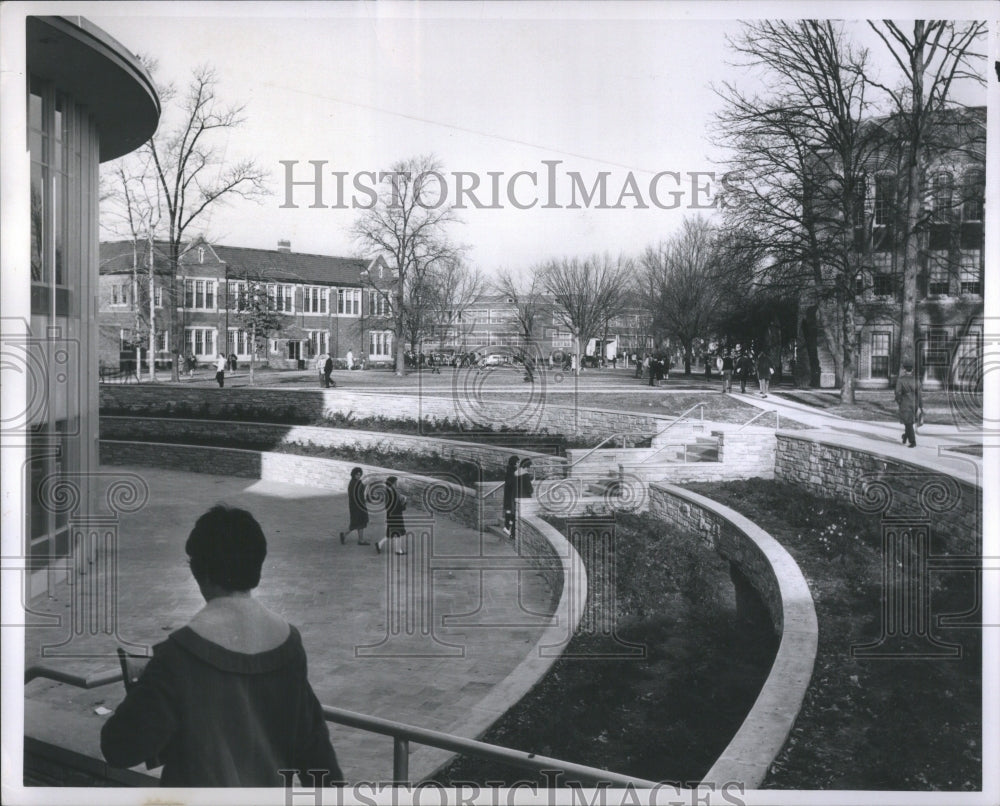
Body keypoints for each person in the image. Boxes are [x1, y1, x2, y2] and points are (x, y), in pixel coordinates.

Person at [100, 505, 342, 787]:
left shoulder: (178, 655)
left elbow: (119, 749)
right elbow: (317, 756)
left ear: (198, 572)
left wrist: (143, 689)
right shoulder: (289, 645)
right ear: (257, 567)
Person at [375, 476, 407, 555]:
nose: (396, 483)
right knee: (398, 532)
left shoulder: (389, 491)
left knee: (391, 533)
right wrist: (404, 502)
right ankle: (398, 550)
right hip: (395, 515)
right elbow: (398, 506)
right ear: (392, 483)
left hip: (390, 515)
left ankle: (379, 544)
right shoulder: (393, 492)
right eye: (395, 482)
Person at [339, 467, 370, 545]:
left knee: (360, 522)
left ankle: (360, 539)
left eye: (360, 474)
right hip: (357, 506)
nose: (358, 476)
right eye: (357, 474)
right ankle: (345, 534)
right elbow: (356, 495)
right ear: (354, 474)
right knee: (357, 522)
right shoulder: (354, 483)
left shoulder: (355, 482)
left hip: (357, 505)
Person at [895, 361, 922, 448]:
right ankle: (905, 436)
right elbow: (920, 394)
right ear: (912, 370)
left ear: (904, 369)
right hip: (915, 403)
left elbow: (897, 393)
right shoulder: (916, 380)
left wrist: (899, 401)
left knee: (908, 423)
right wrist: (920, 406)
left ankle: (912, 441)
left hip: (905, 403)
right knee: (909, 422)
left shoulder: (901, 380)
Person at [502, 455, 519, 538]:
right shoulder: (512, 472)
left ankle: (508, 526)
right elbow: (511, 482)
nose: (519, 464)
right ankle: (507, 527)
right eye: (518, 462)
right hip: (510, 493)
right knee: (510, 510)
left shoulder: (510, 470)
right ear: (515, 463)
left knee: (510, 510)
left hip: (510, 493)